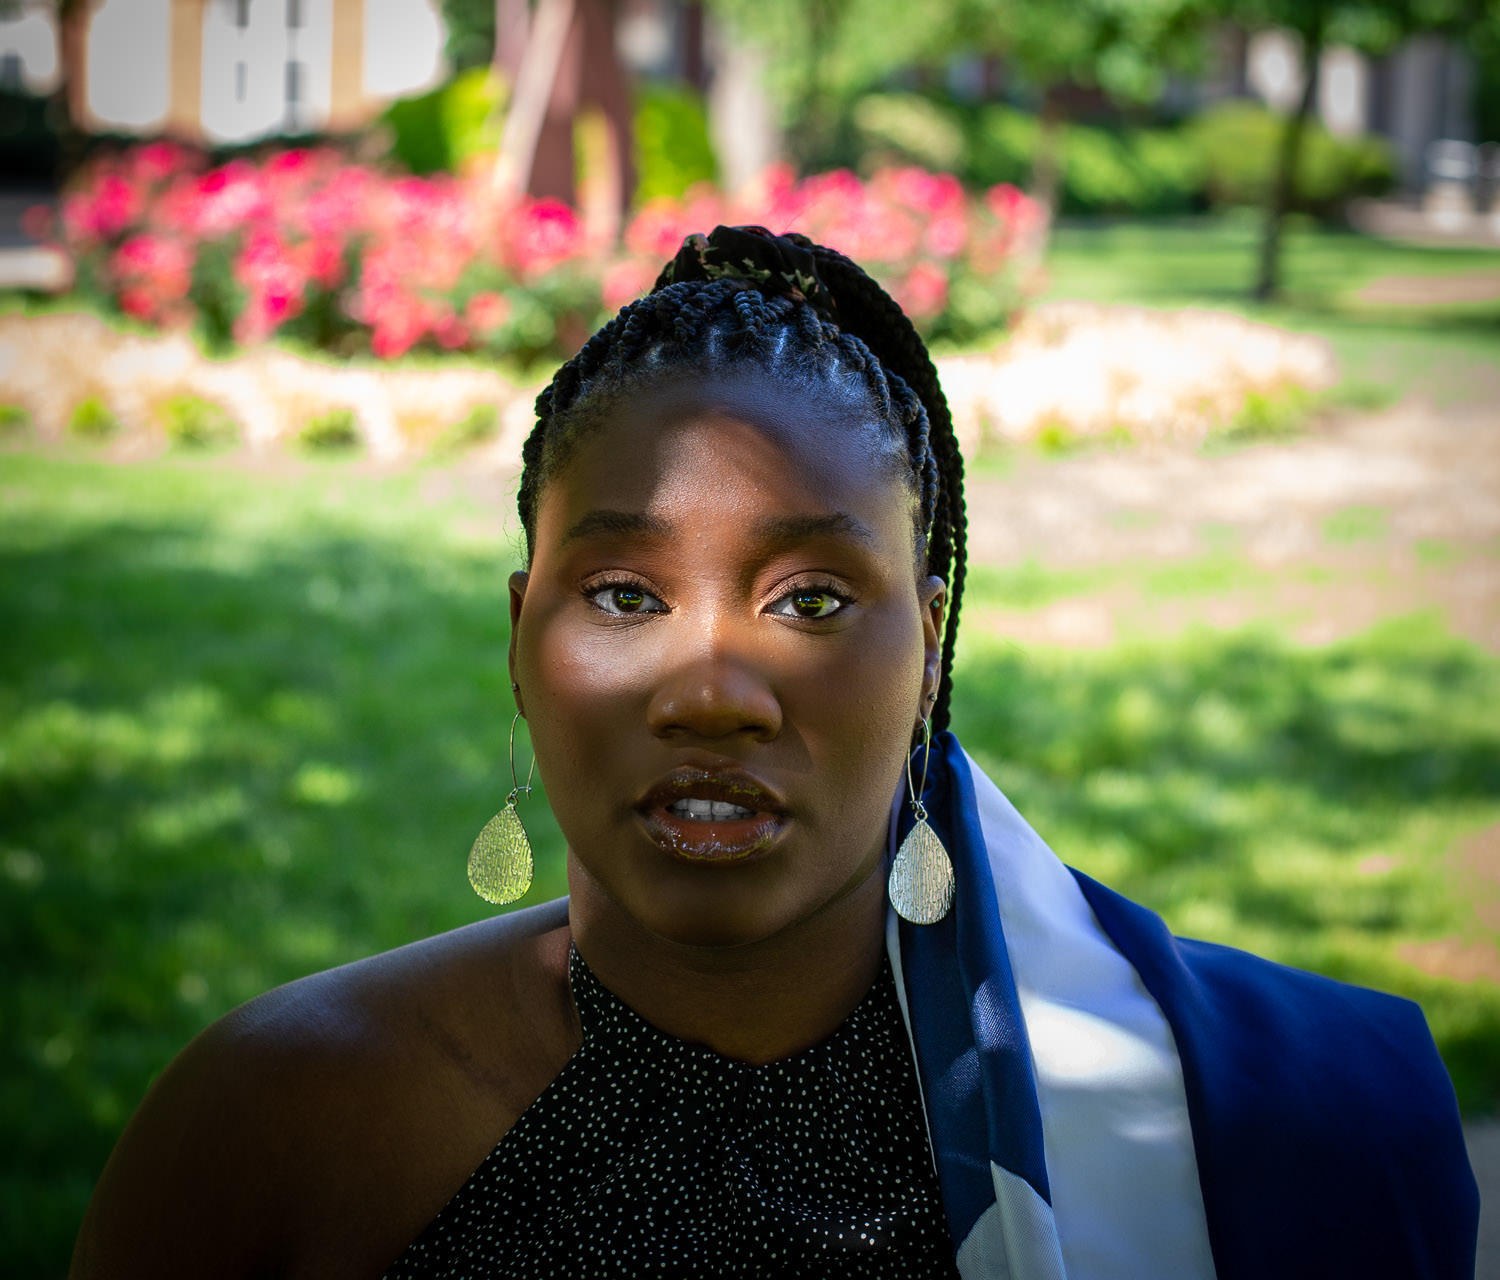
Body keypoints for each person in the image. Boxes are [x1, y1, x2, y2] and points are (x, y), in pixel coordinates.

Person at [71, 226, 1477, 1280]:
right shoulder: (278, 1130)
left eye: (810, 600)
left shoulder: (1283, 1131)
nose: (713, 693)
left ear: (928, 648)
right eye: (626, 595)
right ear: (521, 633)